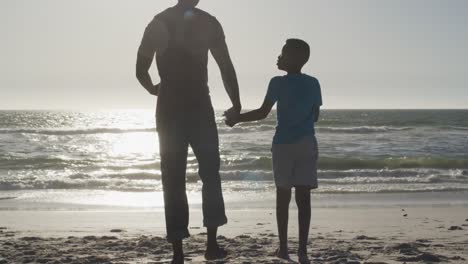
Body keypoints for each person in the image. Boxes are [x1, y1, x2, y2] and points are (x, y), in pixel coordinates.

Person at [135, 0, 241, 262]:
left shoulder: (158, 22)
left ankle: (179, 253)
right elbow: (225, 66)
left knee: (173, 179)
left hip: (170, 106)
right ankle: (210, 245)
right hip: (198, 104)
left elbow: (140, 69)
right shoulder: (208, 22)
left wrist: (154, 88)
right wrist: (236, 103)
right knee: (210, 173)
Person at [225, 39, 322, 264]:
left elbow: (262, 112)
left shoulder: (277, 82)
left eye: (283, 54)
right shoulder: (314, 83)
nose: (279, 57)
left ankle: (284, 248)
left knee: (283, 197)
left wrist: (237, 118)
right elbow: (315, 115)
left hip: (283, 145)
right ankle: (303, 252)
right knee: (304, 199)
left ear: (296, 58)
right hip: (306, 143)